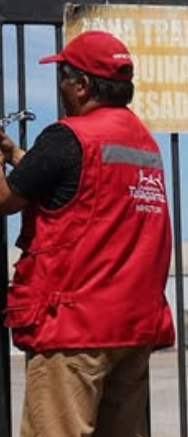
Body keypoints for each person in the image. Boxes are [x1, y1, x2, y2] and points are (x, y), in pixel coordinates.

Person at [0, 31, 175, 437]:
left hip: (74, 328)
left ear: (81, 85)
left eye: (64, 75)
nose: (60, 85)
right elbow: (79, 190)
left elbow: (6, 200)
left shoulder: (68, 136)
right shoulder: (143, 142)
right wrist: (17, 156)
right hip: (131, 329)